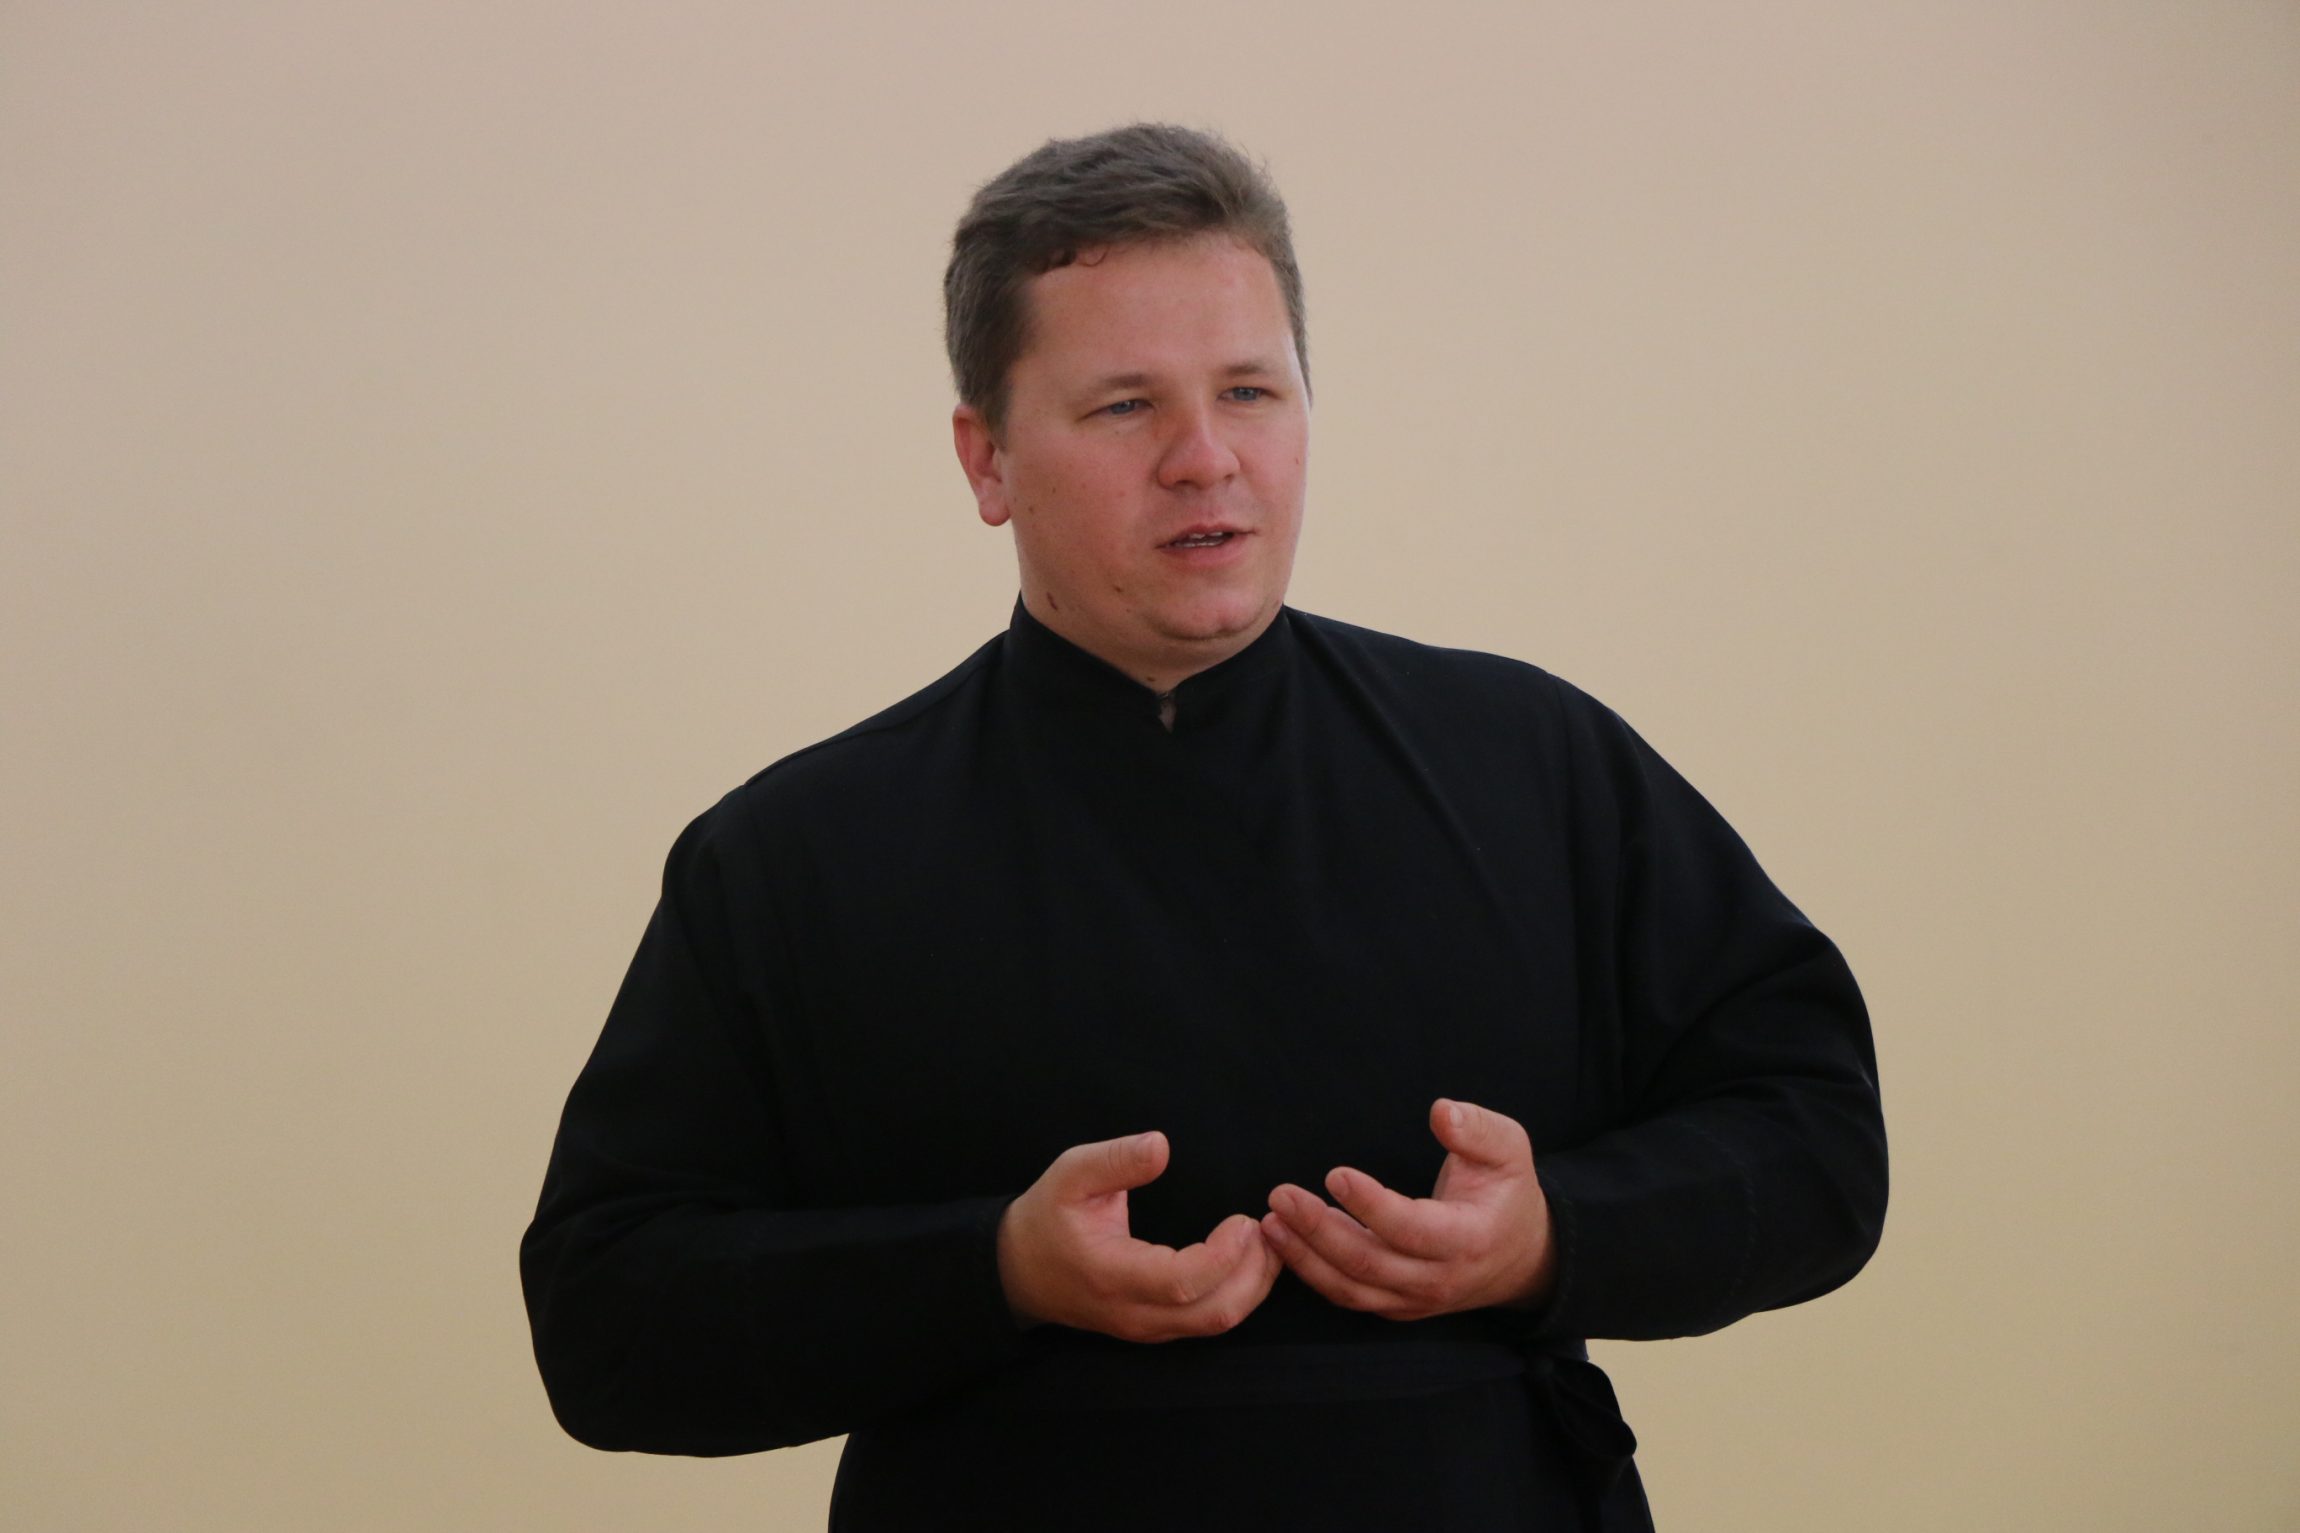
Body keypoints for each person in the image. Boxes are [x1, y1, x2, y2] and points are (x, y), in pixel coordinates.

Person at [520, 123, 1886, 1531]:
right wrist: (995, 1268)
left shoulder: (1537, 765)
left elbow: (1821, 1136)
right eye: (1125, 406)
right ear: (987, 460)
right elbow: (605, 1315)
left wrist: (1553, 1234)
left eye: (1249, 391)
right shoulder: (798, 853)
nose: (1205, 458)